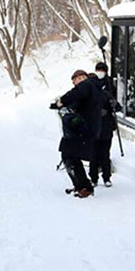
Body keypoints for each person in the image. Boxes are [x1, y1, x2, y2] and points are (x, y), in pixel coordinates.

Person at [56, 69, 102, 198]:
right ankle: (80, 185)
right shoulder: (89, 89)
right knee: (69, 155)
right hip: (78, 129)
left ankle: (85, 186)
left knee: (70, 156)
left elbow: (76, 94)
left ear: (82, 77)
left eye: (77, 80)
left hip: (83, 129)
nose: (76, 83)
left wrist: (62, 101)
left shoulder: (88, 85)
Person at [90, 62, 116, 187]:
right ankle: (93, 177)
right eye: (98, 70)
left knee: (105, 153)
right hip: (94, 123)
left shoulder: (110, 84)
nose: (100, 72)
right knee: (93, 153)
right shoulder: (92, 83)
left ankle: (107, 177)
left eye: (102, 70)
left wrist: (112, 105)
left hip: (106, 123)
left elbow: (116, 102)